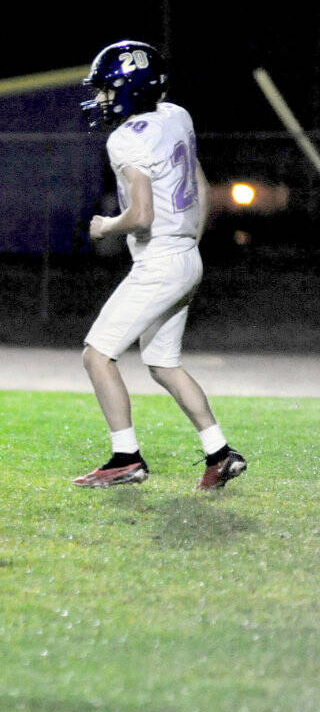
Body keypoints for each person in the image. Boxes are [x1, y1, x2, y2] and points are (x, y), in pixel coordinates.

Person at [74, 40, 247, 491]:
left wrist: (106, 226)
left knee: (97, 355)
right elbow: (201, 185)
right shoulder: (176, 116)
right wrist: (188, 243)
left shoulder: (125, 139)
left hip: (162, 260)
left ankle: (125, 458)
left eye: (107, 90)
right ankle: (220, 453)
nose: (101, 98)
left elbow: (141, 215)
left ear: (129, 90)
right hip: (186, 254)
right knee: (163, 364)